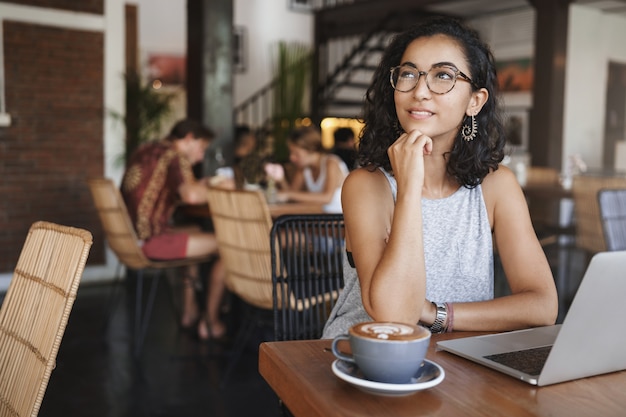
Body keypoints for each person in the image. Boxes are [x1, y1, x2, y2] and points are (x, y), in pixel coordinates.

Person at [322, 17, 558, 338]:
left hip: (463, 364)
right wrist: (408, 190)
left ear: (475, 101)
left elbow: (542, 306)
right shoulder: (366, 185)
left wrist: (436, 313)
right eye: (408, 74)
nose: (419, 91)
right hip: (368, 360)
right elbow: (397, 316)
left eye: (443, 76)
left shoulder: (496, 185)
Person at [121, 118, 226, 341]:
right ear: (189, 139)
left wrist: (203, 184)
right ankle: (211, 321)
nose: (199, 157)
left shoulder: (148, 149)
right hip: (152, 241)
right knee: (228, 245)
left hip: (131, 238)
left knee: (196, 229)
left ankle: (189, 310)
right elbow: (192, 196)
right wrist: (226, 188)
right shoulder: (175, 156)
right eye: (201, 149)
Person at [275, 125, 349, 213]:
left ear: (311, 149)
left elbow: (327, 198)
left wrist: (288, 195)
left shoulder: (331, 163)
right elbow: (291, 197)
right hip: (318, 217)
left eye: (296, 153)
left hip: (337, 219)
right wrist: (281, 179)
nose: (291, 158)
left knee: (278, 212)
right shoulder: (304, 168)